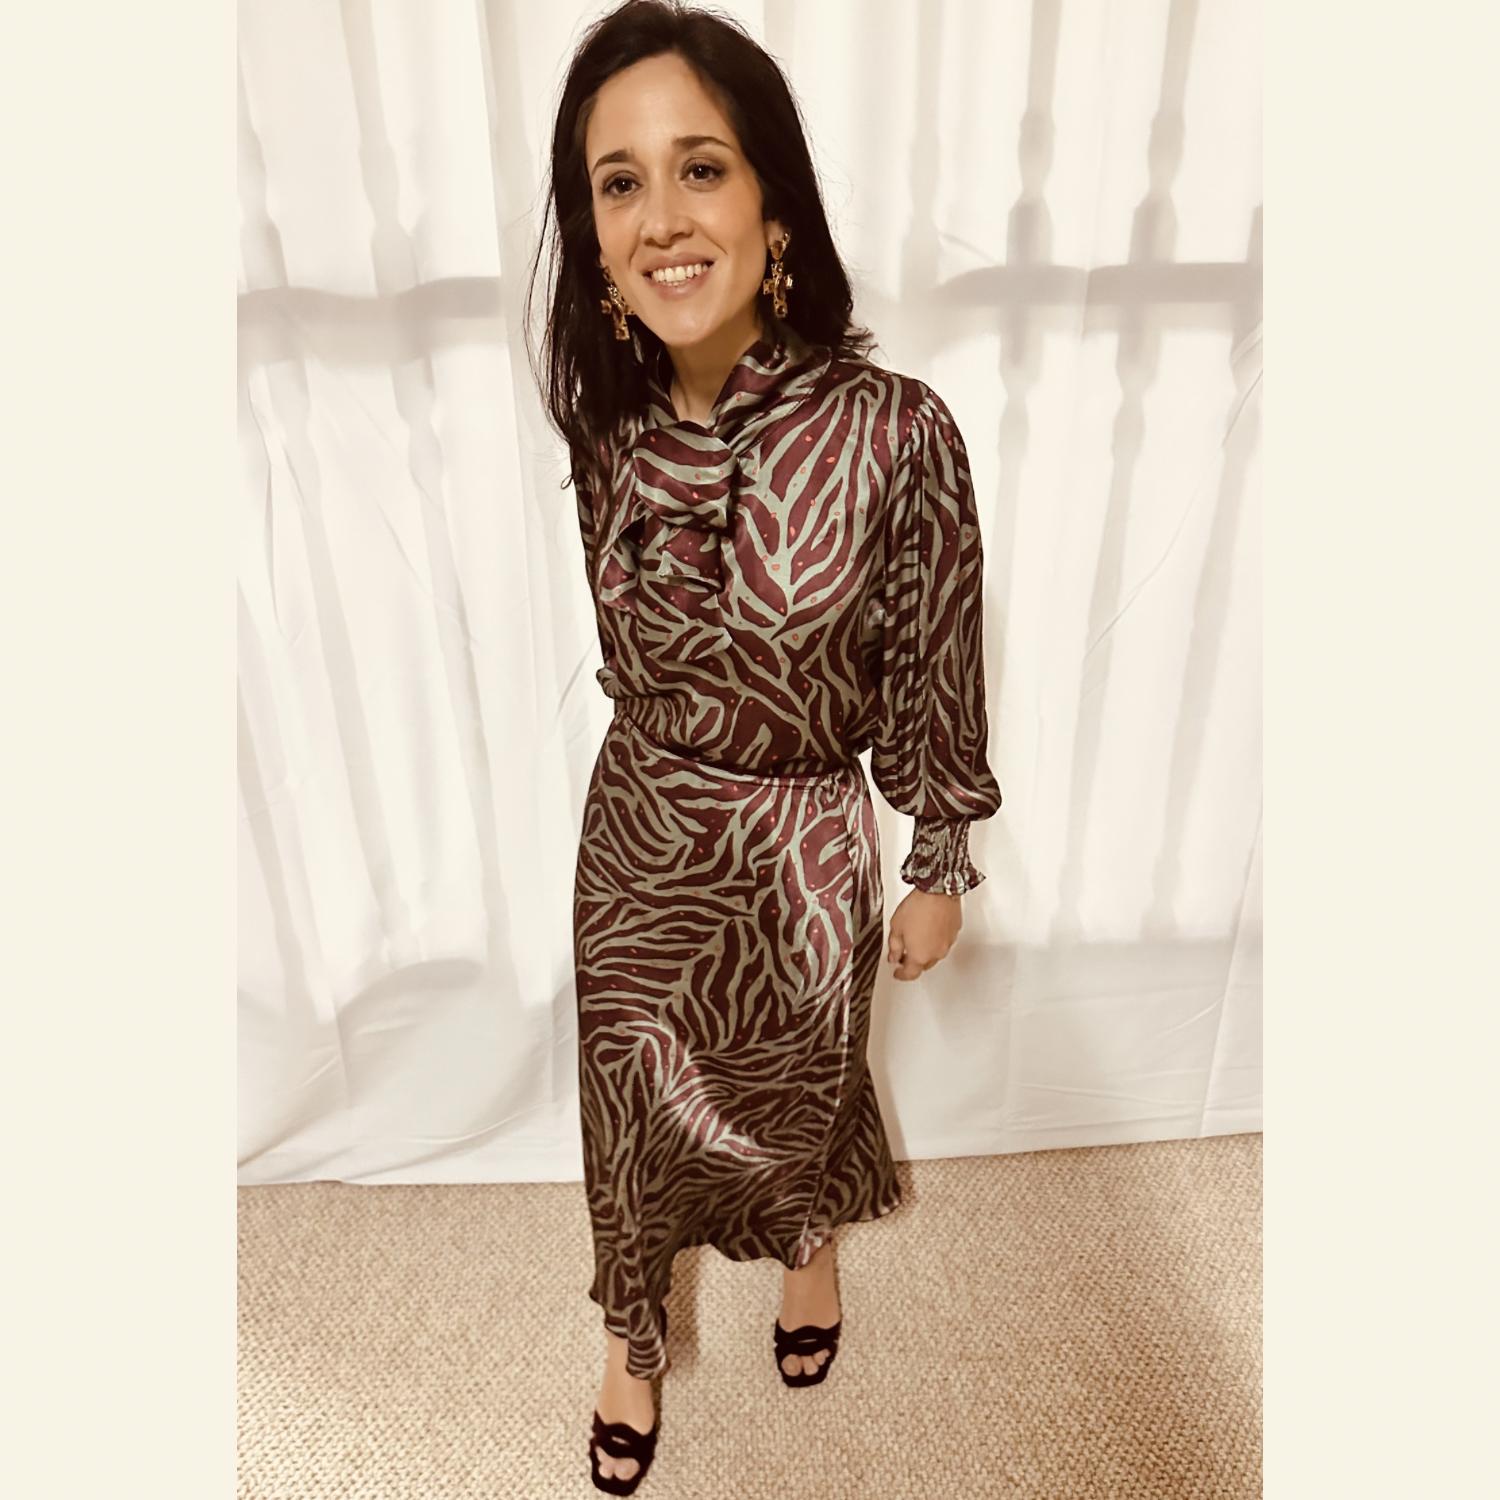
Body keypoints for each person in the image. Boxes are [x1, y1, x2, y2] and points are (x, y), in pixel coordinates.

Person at [523, 3, 1003, 1491]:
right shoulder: (604, 427)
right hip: (638, 842)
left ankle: (807, 1245)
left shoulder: (897, 430)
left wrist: (937, 856)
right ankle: (630, 1340)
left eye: (701, 168)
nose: (661, 218)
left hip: (801, 849)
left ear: (773, 201)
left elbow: (935, 652)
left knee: (802, 1087)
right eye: (619, 183)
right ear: (593, 237)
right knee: (627, 1103)